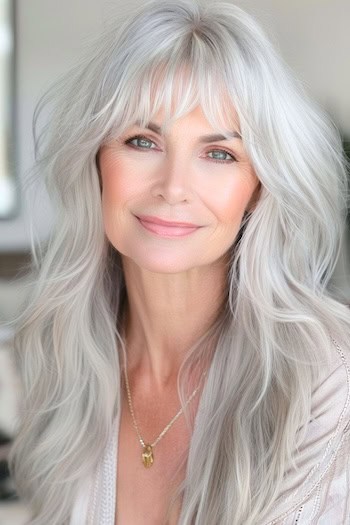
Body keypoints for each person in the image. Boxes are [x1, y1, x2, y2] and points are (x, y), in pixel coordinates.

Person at [7, 0, 350, 523]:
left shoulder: (328, 376)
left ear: (258, 188)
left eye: (219, 154)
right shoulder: (55, 353)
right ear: (95, 163)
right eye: (142, 141)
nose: (173, 188)